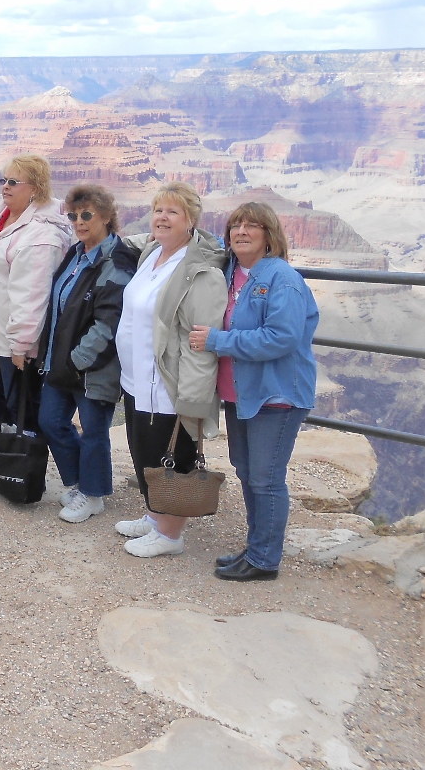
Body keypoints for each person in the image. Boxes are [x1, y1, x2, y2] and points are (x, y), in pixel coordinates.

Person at [190, 202, 319, 581]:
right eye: (235, 226)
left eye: (252, 226)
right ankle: (256, 547)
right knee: (247, 472)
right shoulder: (231, 272)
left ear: (269, 235)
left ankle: (265, 560)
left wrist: (218, 340)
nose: (242, 232)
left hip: (275, 395)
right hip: (241, 394)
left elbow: (281, 338)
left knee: (266, 478)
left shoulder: (282, 279)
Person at [113, 181, 226, 557]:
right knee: (143, 449)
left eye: (172, 212)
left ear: (191, 220)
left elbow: (199, 340)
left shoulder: (200, 271)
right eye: (158, 210)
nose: (161, 217)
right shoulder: (152, 253)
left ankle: (171, 535)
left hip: (168, 383)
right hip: (136, 378)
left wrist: (192, 397)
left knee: (171, 454)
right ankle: (154, 514)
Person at [35, 185, 139, 523]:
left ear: (107, 217)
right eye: (73, 215)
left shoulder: (117, 261)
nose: (78, 221)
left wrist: (77, 361)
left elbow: (110, 320)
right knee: (50, 421)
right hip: (62, 361)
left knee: (94, 430)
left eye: (86, 215)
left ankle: (93, 495)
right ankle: (83, 483)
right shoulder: (76, 253)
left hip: (93, 366)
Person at [0, 155, 70, 481]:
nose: (5, 187)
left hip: (16, 342)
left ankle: (24, 472)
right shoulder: (5, 215)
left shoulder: (40, 234)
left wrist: (22, 344)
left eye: (14, 182)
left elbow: (33, 294)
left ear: (36, 188)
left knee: (20, 409)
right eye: (4, 180)